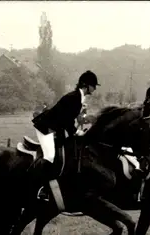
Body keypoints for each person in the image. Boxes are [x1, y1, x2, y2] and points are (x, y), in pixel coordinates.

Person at [29, 70, 100, 201]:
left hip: (57, 129)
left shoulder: (78, 97)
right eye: (93, 85)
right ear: (86, 85)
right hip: (46, 127)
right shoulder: (74, 97)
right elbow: (66, 119)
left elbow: (68, 120)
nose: (94, 88)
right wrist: (75, 132)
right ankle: (42, 189)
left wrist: (76, 130)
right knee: (50, 156)